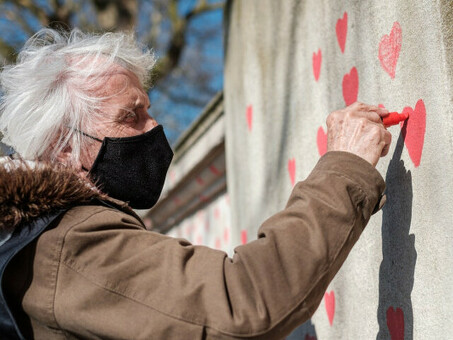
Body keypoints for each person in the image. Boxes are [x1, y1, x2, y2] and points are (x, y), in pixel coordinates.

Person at [0, 28, 391, 339]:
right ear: (63, 148)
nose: (154, 128)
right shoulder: (69, 244)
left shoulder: (42, 238)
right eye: (130, 116)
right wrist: (346, 168)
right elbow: (243, 306)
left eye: (148, 110)